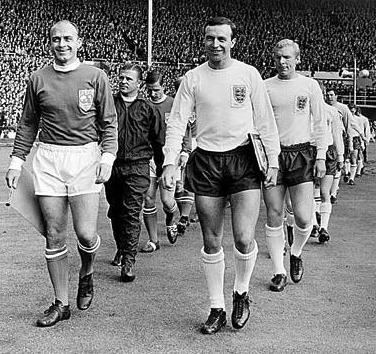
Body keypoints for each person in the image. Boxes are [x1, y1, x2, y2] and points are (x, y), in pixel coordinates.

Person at [161, 17, 280, 334]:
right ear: (204, 41)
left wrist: (274, 161)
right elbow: (177, 123)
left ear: (233, 42)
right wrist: (170, 163)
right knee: (211, 240)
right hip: (207, 160)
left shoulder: (248, 75)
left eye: (221, 39)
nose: (215, 44)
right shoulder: (192, 78)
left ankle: (241, 291)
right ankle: (217, 307)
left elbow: (266, 122)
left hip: (243, 159)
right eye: (210, 38)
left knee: (243, 237)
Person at [5, 20, 118, 327]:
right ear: (50, 43)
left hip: (85, 158)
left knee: (86, 234)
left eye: (68, 38)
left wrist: (107, 158)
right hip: (49, 159)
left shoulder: (95, 76)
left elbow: (109, 123)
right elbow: (28, 123)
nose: (62, 44)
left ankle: (87, 271)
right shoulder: (38, 78)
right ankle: (61, 303)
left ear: (78, 42)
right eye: (56, 39)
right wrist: (16, 162)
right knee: (54, 234)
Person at [263, 39, 327, 292]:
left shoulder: (309, 85)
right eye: (278, 57)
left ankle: (297, 252)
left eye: (288, 57)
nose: (282, 62)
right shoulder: (265, 86)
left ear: (298, 59)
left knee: (303, 217)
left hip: (301, 153)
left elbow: (320, 122)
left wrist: (321, 155)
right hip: (273, 156)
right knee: (274, 214)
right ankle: (278, 271)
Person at [104, 63, 162, 282]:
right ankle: (121, 247)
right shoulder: (109, 104)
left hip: (138, 166)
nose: (123, 81)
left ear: (139, 83)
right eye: (121, 77)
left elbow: (158, 142)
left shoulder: (148, 109)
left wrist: (164, 168)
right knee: (116, 211)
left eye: (129, 78)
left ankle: (129, 260)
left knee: (131, 212)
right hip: (113, 165)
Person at [140, 69, 179, 253]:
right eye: (150, 90)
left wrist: (185, 151)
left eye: (156, 89)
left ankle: (172, 219)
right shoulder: (144, 105)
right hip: (148, 158)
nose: (153, 93)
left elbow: (184, 129)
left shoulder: (173, 104)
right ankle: (153, 240)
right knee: (148, 198)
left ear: (164, 86)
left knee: (167, 201)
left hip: (168, 159)